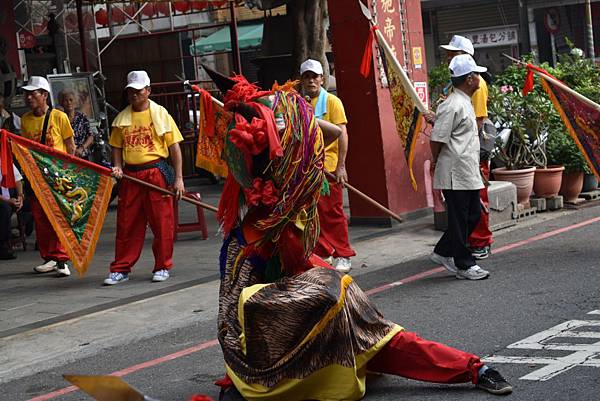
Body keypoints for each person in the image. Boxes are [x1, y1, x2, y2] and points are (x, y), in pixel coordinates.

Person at [203, 70, 512, 401]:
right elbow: (232, 321)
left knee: (376, 331)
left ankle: (472, 368)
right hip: (272, 346)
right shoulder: (246, 240)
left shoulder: (295, 218)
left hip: (308, 302)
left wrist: (290, 113)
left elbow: (334, 132)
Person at [104, 70, 185, 285]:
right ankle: (121, 268)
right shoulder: (122, 118)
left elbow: (174, 148)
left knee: (162, 222)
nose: (134, 95)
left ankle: (162, 265)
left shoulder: (161, 114)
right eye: (131, 91)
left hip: (156, 171)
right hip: (131, 176)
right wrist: (118, 167)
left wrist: (178, 178)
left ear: (148, 90)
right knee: (127, 223)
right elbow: (116, 147)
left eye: (138, 91)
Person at [429, 55, 489, 280]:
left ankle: (443, 251)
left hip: (465, 169)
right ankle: (464, 264)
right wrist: (436, 162)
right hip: (455, 171)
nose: (480, 79)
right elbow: (437, 139)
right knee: (461, 217)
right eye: (477, 75)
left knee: (472, 215)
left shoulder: (463, 102)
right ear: (470, 78)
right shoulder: (452, 104)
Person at [440, 35, 493, 260]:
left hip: (471, 151)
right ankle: (457, 245)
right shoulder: (455, 88)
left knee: (476, 200)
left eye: (453, 53)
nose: (448, 57)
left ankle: (480, 240)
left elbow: (477, 120)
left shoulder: (476, 85)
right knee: (463, 206)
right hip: (460, 152)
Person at [299, 58, 355, 273]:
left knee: (333, 212)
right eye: (307, 77)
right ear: (301, 80)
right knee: (313, 212)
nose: (311, 81)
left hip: (329, 167)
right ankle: (323, 250)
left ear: (322, 79)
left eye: (315, 76)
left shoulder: (332, 102)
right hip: (307, 168)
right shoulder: (299, 102)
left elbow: (343, 135)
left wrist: (341, 166)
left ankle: (343, 253)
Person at [20, 76, 75, 277]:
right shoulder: (25, 120)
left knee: (58, 217)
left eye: (32, 93)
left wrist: (68, 172)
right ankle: (50, 257)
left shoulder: (58, 117)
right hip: (36, 176)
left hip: (57, 175)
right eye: (26, 94)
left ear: (44, 95)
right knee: (41, 218)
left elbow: (70, 147)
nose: (28, 97)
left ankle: (62, 259)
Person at [58, 88, 96, 160]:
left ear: (75, 101)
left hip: (82, 155)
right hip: (66, 156)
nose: (69, 102)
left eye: (71, 100)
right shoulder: (60, 118)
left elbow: (91, 136)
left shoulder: (82, 117)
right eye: (65, 100)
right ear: (61, 103)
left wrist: (81, 148)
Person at [0, 160, 23, 260]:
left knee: (32, 202)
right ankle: (3, 246)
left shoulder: (5, 159)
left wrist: (20, 196)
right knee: (5, 209)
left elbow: (17, 180)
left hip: (11, 196)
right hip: (2, 199)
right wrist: (8, 201)